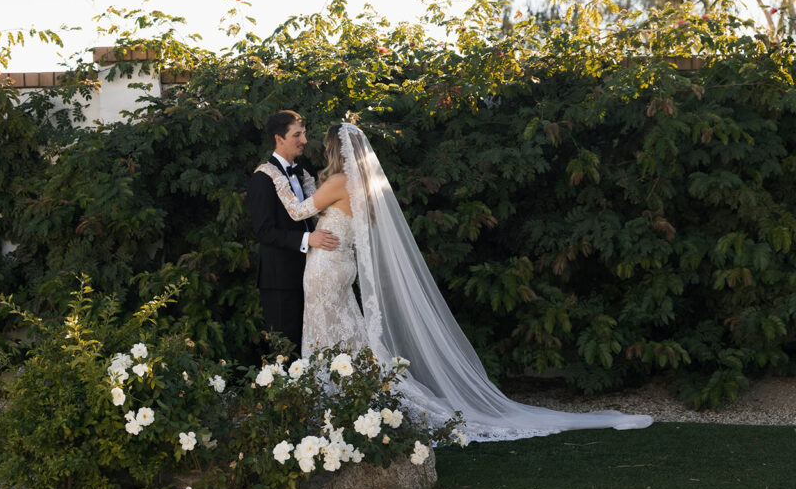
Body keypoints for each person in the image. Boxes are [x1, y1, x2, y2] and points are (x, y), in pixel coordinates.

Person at [254, 122, 654, 443]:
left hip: (325, 267)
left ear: (336, 151)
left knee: (325, 331)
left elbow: (296, 210)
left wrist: (271, 173)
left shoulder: (337, 182)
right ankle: (353, 397)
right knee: (348, 332)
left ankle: (327, 402)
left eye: (324, 146)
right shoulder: (359, 184)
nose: (317, 148)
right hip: (341, 267)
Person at [246, 111, 339, 352]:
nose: (304, 140)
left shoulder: (303, 172)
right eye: (297, 135)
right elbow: (264, 231)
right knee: (285, 348)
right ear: (279, 138)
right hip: (280, 278)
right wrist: (309, 239)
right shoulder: (262, 179)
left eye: (304, 134)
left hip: (310, 272)